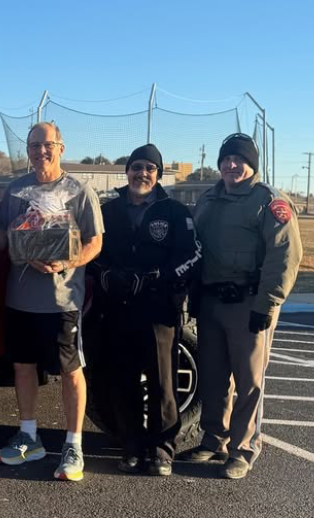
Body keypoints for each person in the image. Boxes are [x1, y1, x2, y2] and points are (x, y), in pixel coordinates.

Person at [178, 133, 302, 479]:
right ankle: (213, 440)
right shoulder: (208, 199)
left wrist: (267, 303)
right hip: (213, 301)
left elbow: (286, 256)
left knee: (248, 380)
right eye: (226, 159)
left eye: (239, 160)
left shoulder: (269, 202)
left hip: (250, 303)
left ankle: (244, 449)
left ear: (252, 165)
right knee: (215, 376)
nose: (231, 165)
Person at [0, 122, 103, 482]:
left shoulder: (80, 190)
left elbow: (95, 242)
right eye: (34, 145)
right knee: (23, 367)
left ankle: (73, 444)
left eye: (47, 145)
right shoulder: (17, 190)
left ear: (61, 147)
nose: (41, 151)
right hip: (21, 299)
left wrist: (67, 261)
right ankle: (28, 436)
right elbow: (5, 235)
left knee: (71, 371)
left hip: (62, 300)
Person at [90, 144, 201, 476]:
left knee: (161, 382)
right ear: (127, 171)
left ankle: (163, 450)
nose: (142, 173)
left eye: (150, 169)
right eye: (137, 167)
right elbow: (91, 249)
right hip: (117, 308)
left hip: (158, 309)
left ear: (159, 174)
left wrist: (158, 278)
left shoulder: (174, 211)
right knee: (121, 380)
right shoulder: (108, 211)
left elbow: (192, 256)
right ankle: (132, 447)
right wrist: (104, 273)